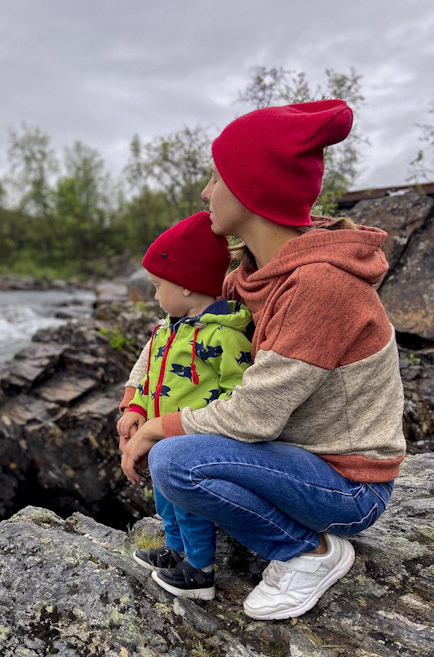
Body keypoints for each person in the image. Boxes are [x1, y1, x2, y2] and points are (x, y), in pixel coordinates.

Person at [120, 99, 406, 620]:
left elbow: (256, 415)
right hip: (299, 462)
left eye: (216, 177)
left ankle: (309, 552)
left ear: (251, 190)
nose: (206, 192)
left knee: (174, 461)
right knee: (175, 453)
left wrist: (159, 428)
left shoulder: (321, 285)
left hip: (347, 486)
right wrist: (138, 402)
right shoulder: (254, 274)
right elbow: (174, 330)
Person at [117, 211, 252, 600]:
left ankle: (199, 572)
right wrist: (136, 409)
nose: (155, 296)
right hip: (163, 436)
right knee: (166, 499)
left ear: (188, 287)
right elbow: (152, 379)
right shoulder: (168, 331)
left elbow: (240, 389)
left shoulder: (224, 337)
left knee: (189, 503)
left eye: (158, 286)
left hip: (192, 437)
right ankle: (175, 551)